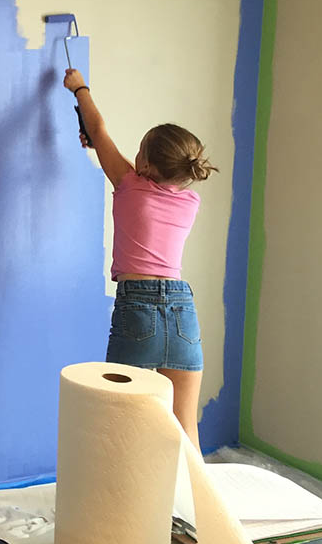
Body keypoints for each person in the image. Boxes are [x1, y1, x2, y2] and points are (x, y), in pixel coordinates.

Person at [64, 68, 217, 450]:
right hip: (183, 310)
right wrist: (97, 146)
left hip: (138, 307)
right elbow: (103, 143)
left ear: (145, 165)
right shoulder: (190, 200)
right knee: (185, 430)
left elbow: (99, 131)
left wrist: (79, 87)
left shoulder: (130, 185)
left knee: (119, 420)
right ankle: (195, 509)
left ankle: (122, 507)